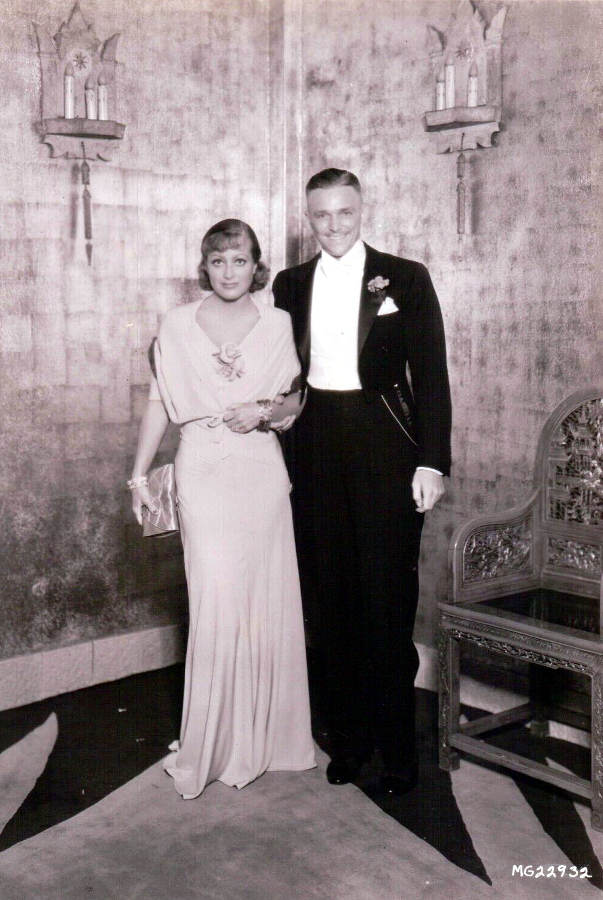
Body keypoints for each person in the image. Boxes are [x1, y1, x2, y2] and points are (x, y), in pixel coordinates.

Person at [272, 169, 451, 795]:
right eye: (321, 216)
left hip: (386, 443)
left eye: (343, 213)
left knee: (386, 601)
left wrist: (432, 462)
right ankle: (348, 742)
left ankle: (399, 751)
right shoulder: (289, 283)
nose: (333, 227)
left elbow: (431, 374)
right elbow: (283, 375)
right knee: (330, 600)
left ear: (362, 210)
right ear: (309, 217)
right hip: (315, 443)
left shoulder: (406, 276)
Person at [129, 219, 315, 800]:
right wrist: (138, 473)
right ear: (203, 267)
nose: (229, 272)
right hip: (203, 467)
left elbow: (295, 401)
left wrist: (262, 411)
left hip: (259, 467)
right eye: (218, 261)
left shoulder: (280, 322)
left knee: (262, 599)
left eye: (239, 261)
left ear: (256, 265)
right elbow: (160, 400)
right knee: (215, 598)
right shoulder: (177, 323)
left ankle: (264, 740)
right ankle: (209, 743)